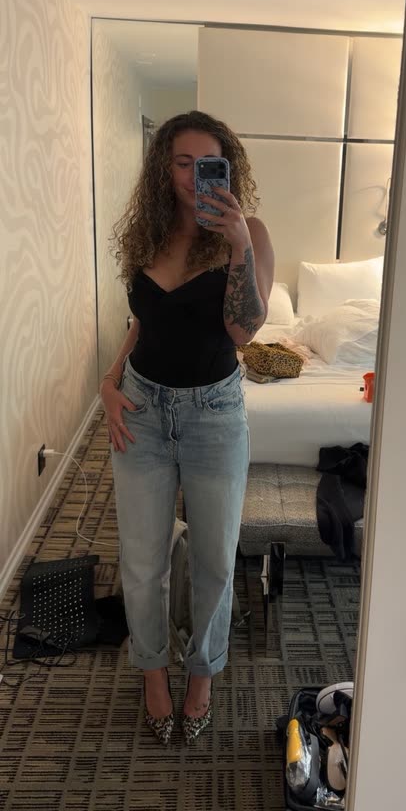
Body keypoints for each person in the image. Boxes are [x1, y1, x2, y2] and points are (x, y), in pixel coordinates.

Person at [100, 111, 274, 747]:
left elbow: (244, 331)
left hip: (214, 416)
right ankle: (153, 673)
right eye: (181, 162)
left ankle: (201, 676)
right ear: (163, 168)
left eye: (208, 163)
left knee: (214, 561)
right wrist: (109, 381)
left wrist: (238, 244)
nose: (194, 175)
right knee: (142, 560)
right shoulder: (147, 233)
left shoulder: (248, 232)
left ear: (227, 167)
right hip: (141, 410)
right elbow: (144, 321)